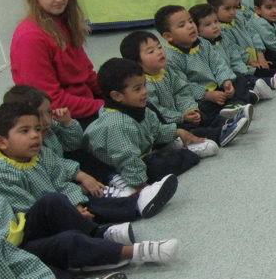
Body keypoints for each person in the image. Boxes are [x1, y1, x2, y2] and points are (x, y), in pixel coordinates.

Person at [0, 138, 178, 270]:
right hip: (11, 251)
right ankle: (136, 253)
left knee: (52, 201)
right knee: (67, 241)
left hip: (20, 229)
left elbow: (17, 210)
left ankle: (116, 221)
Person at [0, 102, 177, 224]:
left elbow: (61, 175)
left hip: (62, 202)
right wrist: (73, 207)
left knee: (90, 200)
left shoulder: (36, 153)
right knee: (88, 213)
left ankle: (134, 201)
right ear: (1, 142)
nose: (35, 135)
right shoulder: (0, 174)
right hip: (41, 220)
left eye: (37, 129)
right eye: (25, 131)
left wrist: (76, 196)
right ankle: (134, 205)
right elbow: (34, 211)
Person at [9, 0, 103, 124]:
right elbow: (51, 101)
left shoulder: (65, 21)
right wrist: (104, 106)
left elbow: (87, 74)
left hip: (83, 102)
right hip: (62, 118)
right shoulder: (30, 38)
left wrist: (113, 94)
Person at [85, 58, 204, 188]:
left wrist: (177, 131)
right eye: (137, 89)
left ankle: (186, 148)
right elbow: (128, 159)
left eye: (144, 85)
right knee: (157, 167)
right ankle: (189, 152)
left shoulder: (137, 107)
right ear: (117, 96)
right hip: (115, 168)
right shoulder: (117, 124)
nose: (144, 91)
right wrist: (142, 187)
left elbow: (154, 131)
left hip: (141, 155)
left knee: (168, 152)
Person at [119, 30, 247, 147]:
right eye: (151, 51)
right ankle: (219, 134)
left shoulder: (167, 70)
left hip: (183, 114)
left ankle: (230, 122)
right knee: (190, 129)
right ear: (136, 62)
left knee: (203, 114)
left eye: (159, 47)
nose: (159, 52)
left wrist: (190, 109)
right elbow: (157, 111)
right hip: (168, 124)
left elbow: (182, 91)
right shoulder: (142, 84)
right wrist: (181, 116)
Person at [156, 4, 262, 114]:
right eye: (182, 25)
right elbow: (182, 85)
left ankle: (237, 104)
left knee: (238, 78)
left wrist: (225, 81)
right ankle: (242, 102)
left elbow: (218, 63)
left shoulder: (203, 43)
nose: (190, 26)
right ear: (168, 36)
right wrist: (206, 95)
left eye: (190, 21)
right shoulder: (170, 58)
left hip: (218, 87)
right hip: (202, 96)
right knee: (202, 110)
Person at [205, 0, 276, 93]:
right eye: (227, 9)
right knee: (255, 73)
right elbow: (234, 49)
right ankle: (275, 79)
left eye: (234, 7)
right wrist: (251, 61)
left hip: (257, 54)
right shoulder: (220, 30)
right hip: (245, 63)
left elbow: (254, 34)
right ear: (214, 10)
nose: (233, 12)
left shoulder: (238, 18)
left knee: (274, 55)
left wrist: (260, 54)